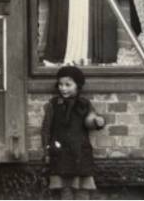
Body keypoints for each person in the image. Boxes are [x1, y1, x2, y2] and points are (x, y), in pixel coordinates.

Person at [41, 65, 106, 200]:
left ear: (78, 86)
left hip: (80, 152)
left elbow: (89, 120)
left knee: (82, 189)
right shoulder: (54, 104)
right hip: (61, 153)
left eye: (68, 85)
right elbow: (46, 128)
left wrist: (97, 121)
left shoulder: (84, 104)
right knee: (65, 189)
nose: (63, 88)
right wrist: (46, 150)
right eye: (60, 84)